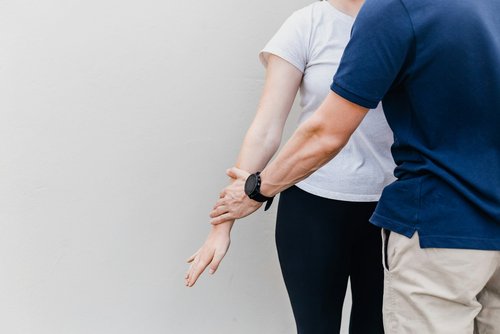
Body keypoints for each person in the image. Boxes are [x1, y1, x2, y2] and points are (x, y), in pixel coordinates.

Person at [210, 0, 500, 333]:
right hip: (328, 207)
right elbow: (267, 127)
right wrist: (226, 219)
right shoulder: (311, 23)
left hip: (424, 221)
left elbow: (325, 134)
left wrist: (258, 189)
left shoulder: (395, 10)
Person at [185, 1, 395, 333]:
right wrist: (222, 225)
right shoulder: (307, 24)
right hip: (313, 209)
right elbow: (266, 129)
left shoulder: (408, 19)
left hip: (392, 211)